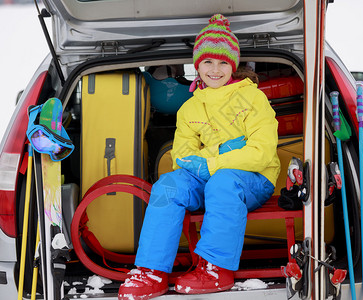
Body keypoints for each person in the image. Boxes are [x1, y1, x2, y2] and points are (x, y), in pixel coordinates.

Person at [118, 13, 280, 300]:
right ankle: (151, 271)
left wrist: (212, 162)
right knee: (168, 185)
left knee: (223, 182)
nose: (214, 70)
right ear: (197, 65)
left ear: (233, 66)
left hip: (254, 180)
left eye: (222, 63)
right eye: (207, 62)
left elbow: (261, 153)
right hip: (207, 176)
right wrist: (219, 153)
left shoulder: (253, 98)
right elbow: (182, 154)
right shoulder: (190, 108)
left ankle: (216, 268)